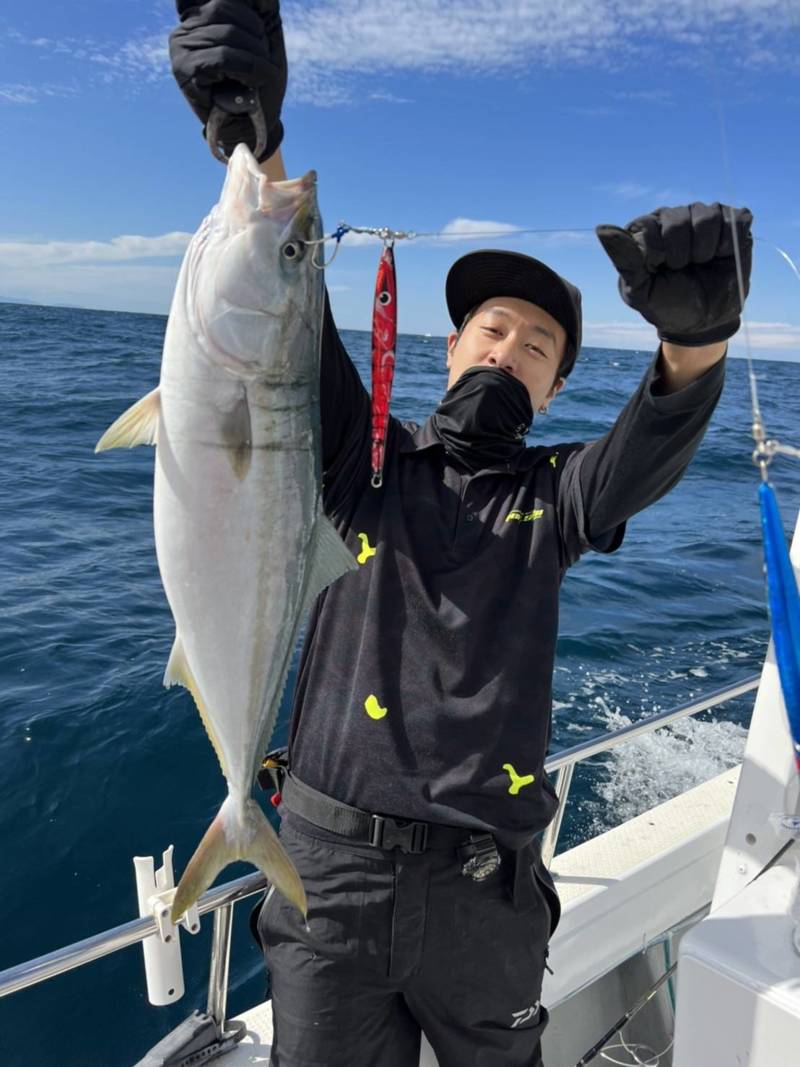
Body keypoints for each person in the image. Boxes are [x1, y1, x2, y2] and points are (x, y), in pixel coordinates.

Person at [169, 4, 753, 1065]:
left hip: (486, 891)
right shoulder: (358, 458)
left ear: (556, 387)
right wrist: (256, 133)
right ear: (449, 346)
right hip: (327, 871)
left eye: (537, 346)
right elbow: (281, 327)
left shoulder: (558, 495)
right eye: (492, 328)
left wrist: (694, 345)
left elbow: (649, 445)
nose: (508, 350)